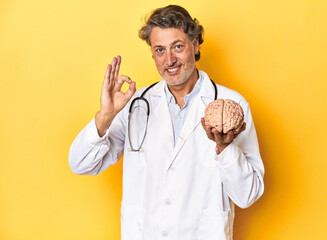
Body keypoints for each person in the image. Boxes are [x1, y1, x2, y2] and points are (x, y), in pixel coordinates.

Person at [69, 5, 264, 240]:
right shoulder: (135, 104)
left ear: (195, 44)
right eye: (160, 50)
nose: (169, 59)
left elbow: (247, 195)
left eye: (178, 47)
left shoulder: (232, 104)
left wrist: (225, 148)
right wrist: (105, 115)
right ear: (152, 54)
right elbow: (80, 164)